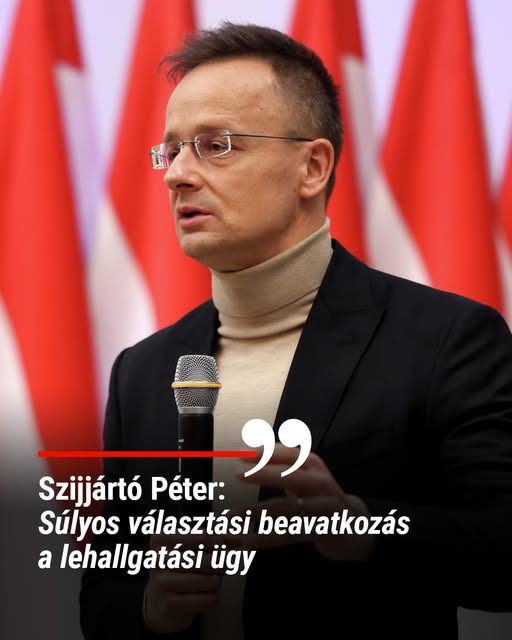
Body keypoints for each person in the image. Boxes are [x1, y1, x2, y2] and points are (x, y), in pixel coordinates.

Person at [80, 22, 512, 640]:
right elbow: (100, 595)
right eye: (171, 151)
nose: (177, 175)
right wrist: (151, 607)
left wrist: (360, 527)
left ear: (312, 167)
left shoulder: (447, 339)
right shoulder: (142, 370)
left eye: (216, 145)